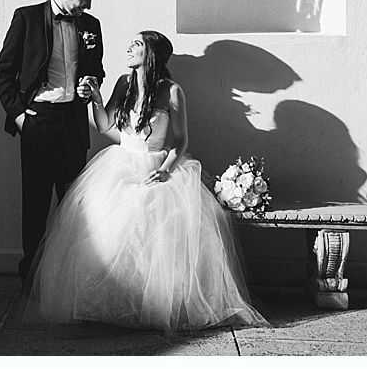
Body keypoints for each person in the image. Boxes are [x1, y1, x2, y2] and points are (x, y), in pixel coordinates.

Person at [24, 31, 267, 334]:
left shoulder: (172, 91)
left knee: (156, 236)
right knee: (106, 229)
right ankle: (110, 305)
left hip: (157, 166)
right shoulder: (123, 83)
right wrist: (96, 99)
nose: (129, 47)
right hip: (120, 164)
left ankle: (149, 307)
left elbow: (180, 141)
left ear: (151, 54)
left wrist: (165, 171)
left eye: (137, 44)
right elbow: (105, 124)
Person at [0, 0, 106, 285]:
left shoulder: (91, 25)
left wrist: (90, 83)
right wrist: (20, 117)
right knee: (36, 204)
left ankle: (70, 281)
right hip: (39, 122)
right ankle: (31, 277)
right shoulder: (27, 18)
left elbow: (97, 69)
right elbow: (5, 73)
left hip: (74, 122)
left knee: (74, 205)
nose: (88, 6)